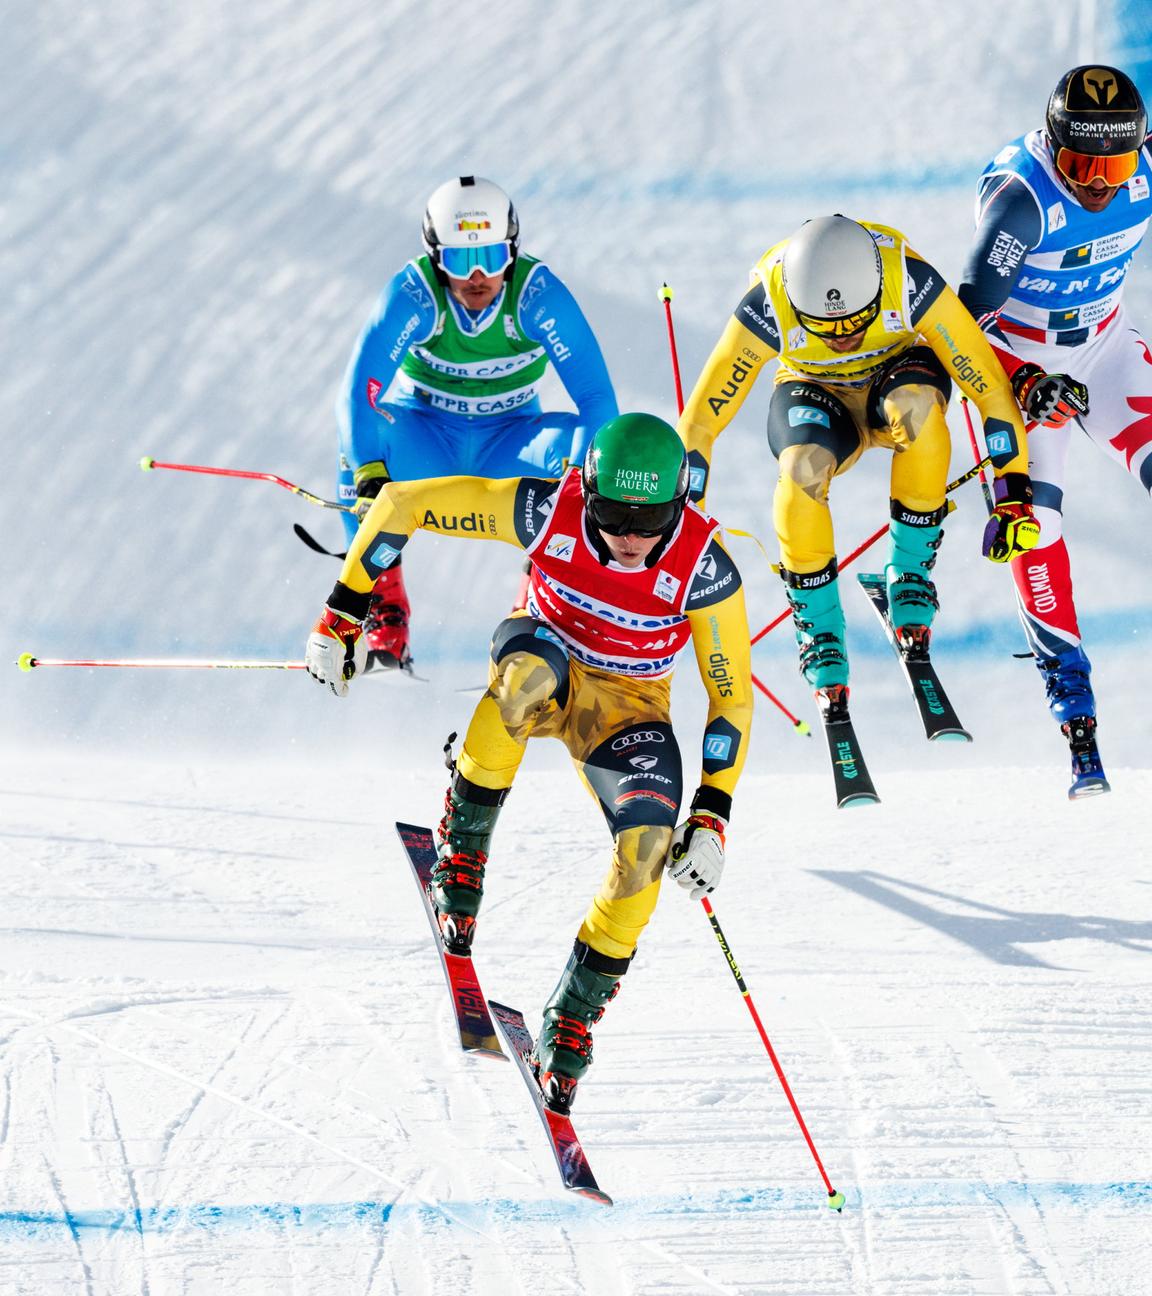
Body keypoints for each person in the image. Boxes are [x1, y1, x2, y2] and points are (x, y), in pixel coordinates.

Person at [305, 414, 753, 1113]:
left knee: (648, 849)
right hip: (545, 655)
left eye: (650, 521)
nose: (631, 539)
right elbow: (402, 504)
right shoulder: (549, 509)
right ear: (588, 491)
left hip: (628, 712)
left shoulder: (705, 568)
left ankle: (572, 1015)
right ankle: (463, 849)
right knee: (524, 684)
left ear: (680, 505)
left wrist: (712, 814)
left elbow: (731, 701)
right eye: (612, 516)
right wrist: (342, 611)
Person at [676, 214, 1039, 722]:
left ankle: (909, 571)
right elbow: (701, 423)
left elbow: (988, 386)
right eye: (825, 327)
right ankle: (819, 626)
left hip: (898, 371)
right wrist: (684, 522)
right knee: (800, 471)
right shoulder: (768, 303)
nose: (844, 336)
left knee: (920, 416)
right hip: (814, 389)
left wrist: (1014, 491)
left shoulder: (908, 279)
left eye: (856, 320)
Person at [335, 175, 618, 671]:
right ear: (433, 256)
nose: (478, 277)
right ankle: (382, 606)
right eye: (460, 261)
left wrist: (581, 492)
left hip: (509, 440)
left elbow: (597, 401)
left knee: (592, 452)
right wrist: (370, 477)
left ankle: (538, 610)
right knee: (358, 451)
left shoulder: (537, 296)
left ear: (512, 249)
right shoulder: (414, 294)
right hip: (425, 436)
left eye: (491, 256)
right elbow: (359, 393)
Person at [958, 64, 1151, 791]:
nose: (1099, 183)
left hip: (1104, 351)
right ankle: (1074, 706)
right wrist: (1024, 382)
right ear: (1052, 141)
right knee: (1033, 527)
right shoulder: (1021, 201)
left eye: (1116, 164)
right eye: (1081, 164)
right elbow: (960, 328)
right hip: (1018, 370)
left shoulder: (1144, 166)